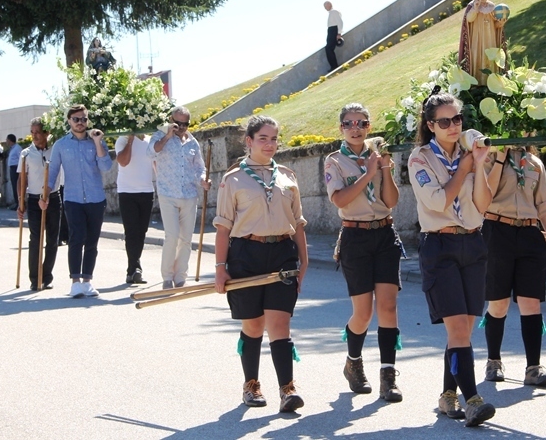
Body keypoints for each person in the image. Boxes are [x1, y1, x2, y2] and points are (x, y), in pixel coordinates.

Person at [407, 90, 495, 426]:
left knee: (464, 331)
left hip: (472, 243)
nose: (453, 126)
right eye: (444, 122)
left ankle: (447, 395)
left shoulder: (469, 153)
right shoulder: (420, 159)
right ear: (430, 125)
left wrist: (479, 165)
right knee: (457, 327)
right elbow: (438, 201)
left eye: (457, 118)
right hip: (439, 246)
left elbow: (483, 204)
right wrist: (464, 169)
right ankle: (472, 399)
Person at [213, 115, 308, 413]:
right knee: (253, 324)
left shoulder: (287, 177)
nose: (269, 144)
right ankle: (251, 385)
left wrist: (303, 261)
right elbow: (223, 228)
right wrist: (220, 267)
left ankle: (287, 389)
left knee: (280, 323)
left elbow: (298, 223)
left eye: (274, 138)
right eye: (263, 138)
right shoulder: (232, 179)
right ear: (249, 141)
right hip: (246, 254)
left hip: (282, 253)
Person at [324, 103, 404, 402]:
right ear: (341, 128)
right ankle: (353, 362)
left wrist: (384, 168)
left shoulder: (377, 155)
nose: (355, 128)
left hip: (384, 233)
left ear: (369, 127)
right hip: (355, 237)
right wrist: (368, 174)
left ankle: (388, 375)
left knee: (388, 307)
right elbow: (340, 199)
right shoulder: (334, 161)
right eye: (349, 123)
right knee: (364, 312)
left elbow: (391, 201)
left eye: (361, 123)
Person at [481, 145, 546, 386]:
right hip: (497, 230)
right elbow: (485, 196)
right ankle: (493, 361)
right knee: (498, 303)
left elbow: (544, 205)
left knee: (531, 302)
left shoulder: (534, 163)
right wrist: (500, 157)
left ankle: (533, 368)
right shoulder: (489, 158)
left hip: (529, 233)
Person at [42, 105, 113, 298]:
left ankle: (87, 281)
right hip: (73, 198)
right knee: (76, 238)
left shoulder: (96, 141)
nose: (80, 123)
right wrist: (45, 194)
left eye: (83, 119)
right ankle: (75, 282)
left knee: (92, 241)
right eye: (76, 119)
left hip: (96, 198)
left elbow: (106, 166)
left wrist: (97, 142)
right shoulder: (61, 144)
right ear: (69, 121)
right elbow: (53, 171)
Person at [148, 106, 210, 289]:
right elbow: (150, 152)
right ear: (171, 121)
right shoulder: (160, 136)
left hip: (189, 194)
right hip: (168, 193)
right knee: (172, 236)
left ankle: (180, 276)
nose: (181, 127)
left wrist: (203, 180)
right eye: (178, 123)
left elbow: (200, 167)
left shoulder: (193, 142)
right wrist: (167, 136)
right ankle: (167, 277)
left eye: (185, 124)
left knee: (186, 239)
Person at [18, 118, 62, 291]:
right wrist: (20, 202)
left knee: (52, 239)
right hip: (34, 199)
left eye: (37, 132)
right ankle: (35, 278)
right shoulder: (26, 154)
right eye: (32, 132)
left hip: (54, 198)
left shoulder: (55, 151)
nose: (34, 136)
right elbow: (22, 179)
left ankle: (47, 276)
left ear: (46, 133)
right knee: (36, 239)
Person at [115, 133, 155, 284]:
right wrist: (130, 141)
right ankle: (133, 269)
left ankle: (134, 267)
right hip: (127, 192)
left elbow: (156, 163)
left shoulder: (150, 140)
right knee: (131, 231)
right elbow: (123, 161)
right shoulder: (122, 140)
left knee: (141, 231)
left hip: (146, 191)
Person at [457, 0, 506, 86]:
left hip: (490, 39)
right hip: (477, 40)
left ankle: (492, 82)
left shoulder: (492, 6)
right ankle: (479, 83)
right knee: (479, 57)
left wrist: (500, 23)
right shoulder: (472, 6)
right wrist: (475, 9)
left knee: (491, 57)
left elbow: (495, 24)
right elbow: (469, 19)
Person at [324, 1, 343, 72]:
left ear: (330, 5)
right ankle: (333, 65)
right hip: (331, 30)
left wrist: (339, 33)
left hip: (334, 30)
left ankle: (334, 66)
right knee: (328, 48)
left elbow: (340, 22)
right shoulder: (331, 13)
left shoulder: (334, 12)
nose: (325, 8)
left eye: (326, 6)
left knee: (329, 48)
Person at [6, 134, 22, 210]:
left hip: (16, 169)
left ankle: (19, 203)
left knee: (16, 186)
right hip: (12, 168)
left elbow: (21, 159)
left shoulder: (17, 148)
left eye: (7, 140)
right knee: (14, 186)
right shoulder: (12, 148)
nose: (6, 142)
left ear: (10, 140)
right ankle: (16, 202)